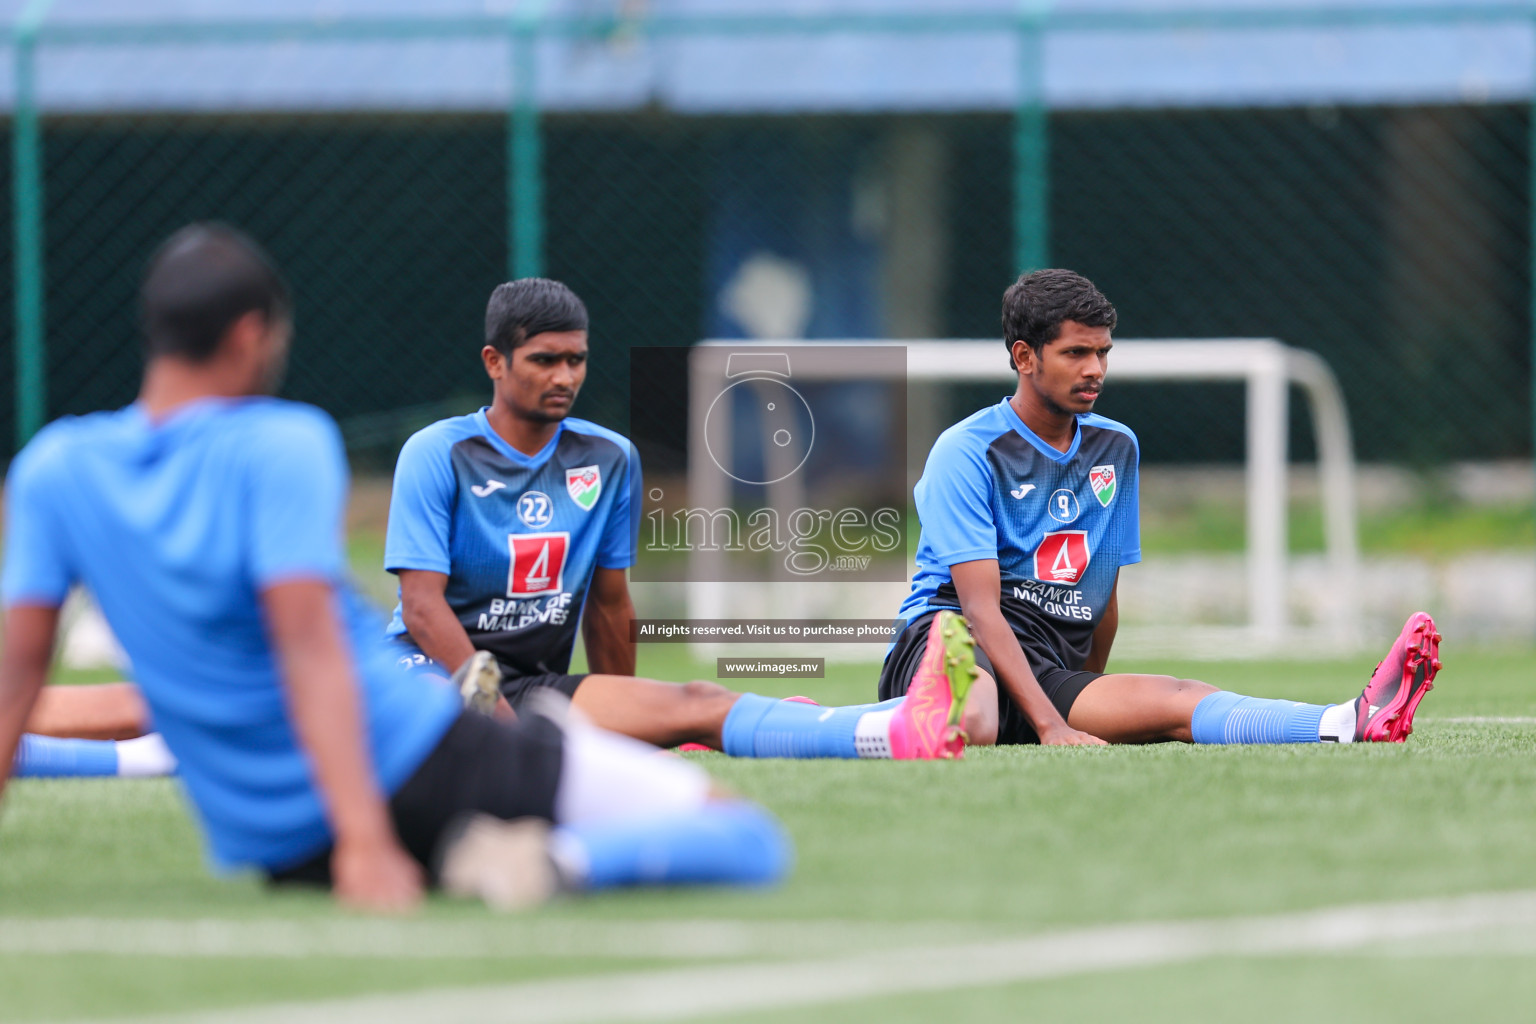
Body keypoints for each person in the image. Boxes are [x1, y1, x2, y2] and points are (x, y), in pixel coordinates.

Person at [0, 224, 792, 912]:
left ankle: (485, 851)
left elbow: (18, 671)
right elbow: (314, 649)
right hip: (415, 755)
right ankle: (555, 863)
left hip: (279, 840)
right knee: (742, 835)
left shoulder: (52, 470)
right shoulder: (284, 442)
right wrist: (364, 840)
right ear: (252, 334)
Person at [381, 276, 977, 762]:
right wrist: (490, 709)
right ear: (495, 361)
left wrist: (637, 719)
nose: (564, 377)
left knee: (695, 699)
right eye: (544, 360)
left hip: (530, 682)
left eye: (576, 360)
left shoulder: (608, 458)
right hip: (427, 671)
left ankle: (892, 726)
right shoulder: (439, 453)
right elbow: (421, 606)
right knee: (443, 730)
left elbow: (610, 604)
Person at [878, 268, 1442, 749]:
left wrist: (1087, 694)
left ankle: (1346, 721)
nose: (1095, 369)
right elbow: (978, 610)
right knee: (972, 717)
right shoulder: (966, 450)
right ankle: (814, 723)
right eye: (1075, 353)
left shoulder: (1115, 446)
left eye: (1102, 352)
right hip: (949, 639)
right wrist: (1052, 726)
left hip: (1044, 660)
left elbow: (1103, 595)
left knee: (1175, 699)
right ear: (1024, 357)